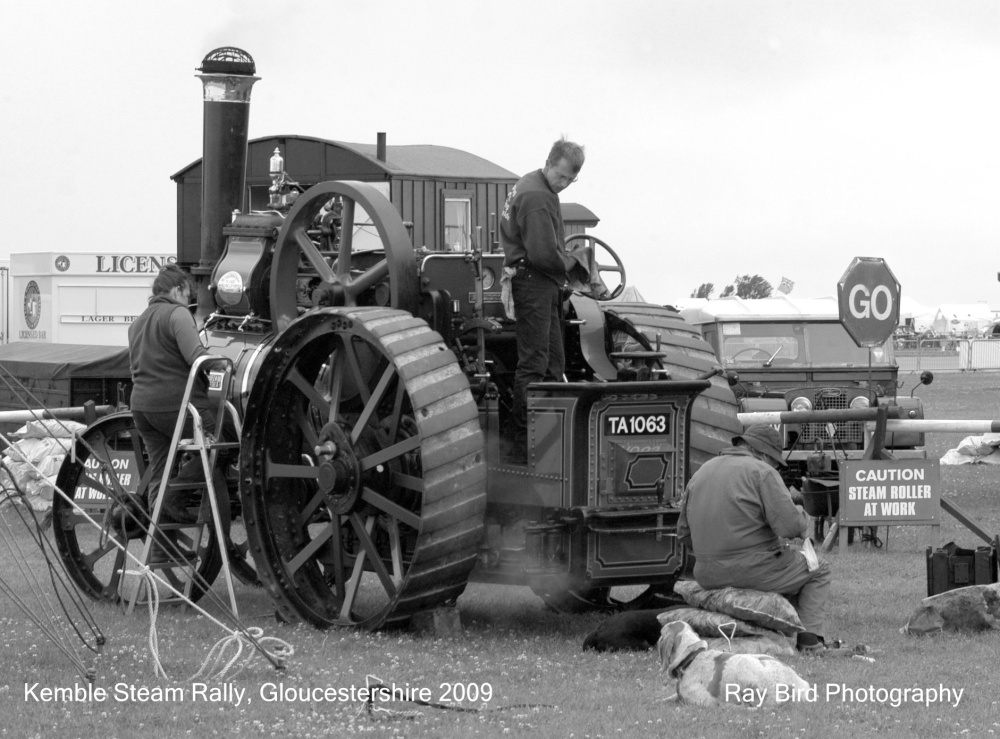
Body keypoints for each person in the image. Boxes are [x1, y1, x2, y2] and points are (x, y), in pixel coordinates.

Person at [676, 425, 833, 653]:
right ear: (763, 453)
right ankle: (810, 641)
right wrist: (803, 516)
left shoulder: (701, 472)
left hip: (706, 573)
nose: (776, 467)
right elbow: (790, 526)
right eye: (776, 462)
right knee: (819, 569)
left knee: (784, 562)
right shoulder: (762, 471)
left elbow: (684, 534)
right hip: (749, 570)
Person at [499, 137, 585, 463]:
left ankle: (546, 444)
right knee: (535, 365)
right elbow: (543, 254)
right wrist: (576, 263)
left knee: (552, 364)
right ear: (549, 163)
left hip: (538, 281)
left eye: (570, 180)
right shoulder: (536, 196)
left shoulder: (535, 185)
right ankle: (524, 448)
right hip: (534, 280)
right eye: (561, 176)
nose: (563, 184)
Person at [128, 264, 214, 561]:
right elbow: (197, 358)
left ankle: (159, 550)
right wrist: (223, 365)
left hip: (142, 408)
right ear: (177, 289)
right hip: (176, 405)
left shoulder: (137, 323)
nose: (188, 299)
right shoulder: (178, 314)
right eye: (187, 293)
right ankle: (174, 499)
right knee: (221, 444)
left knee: (159, 475)